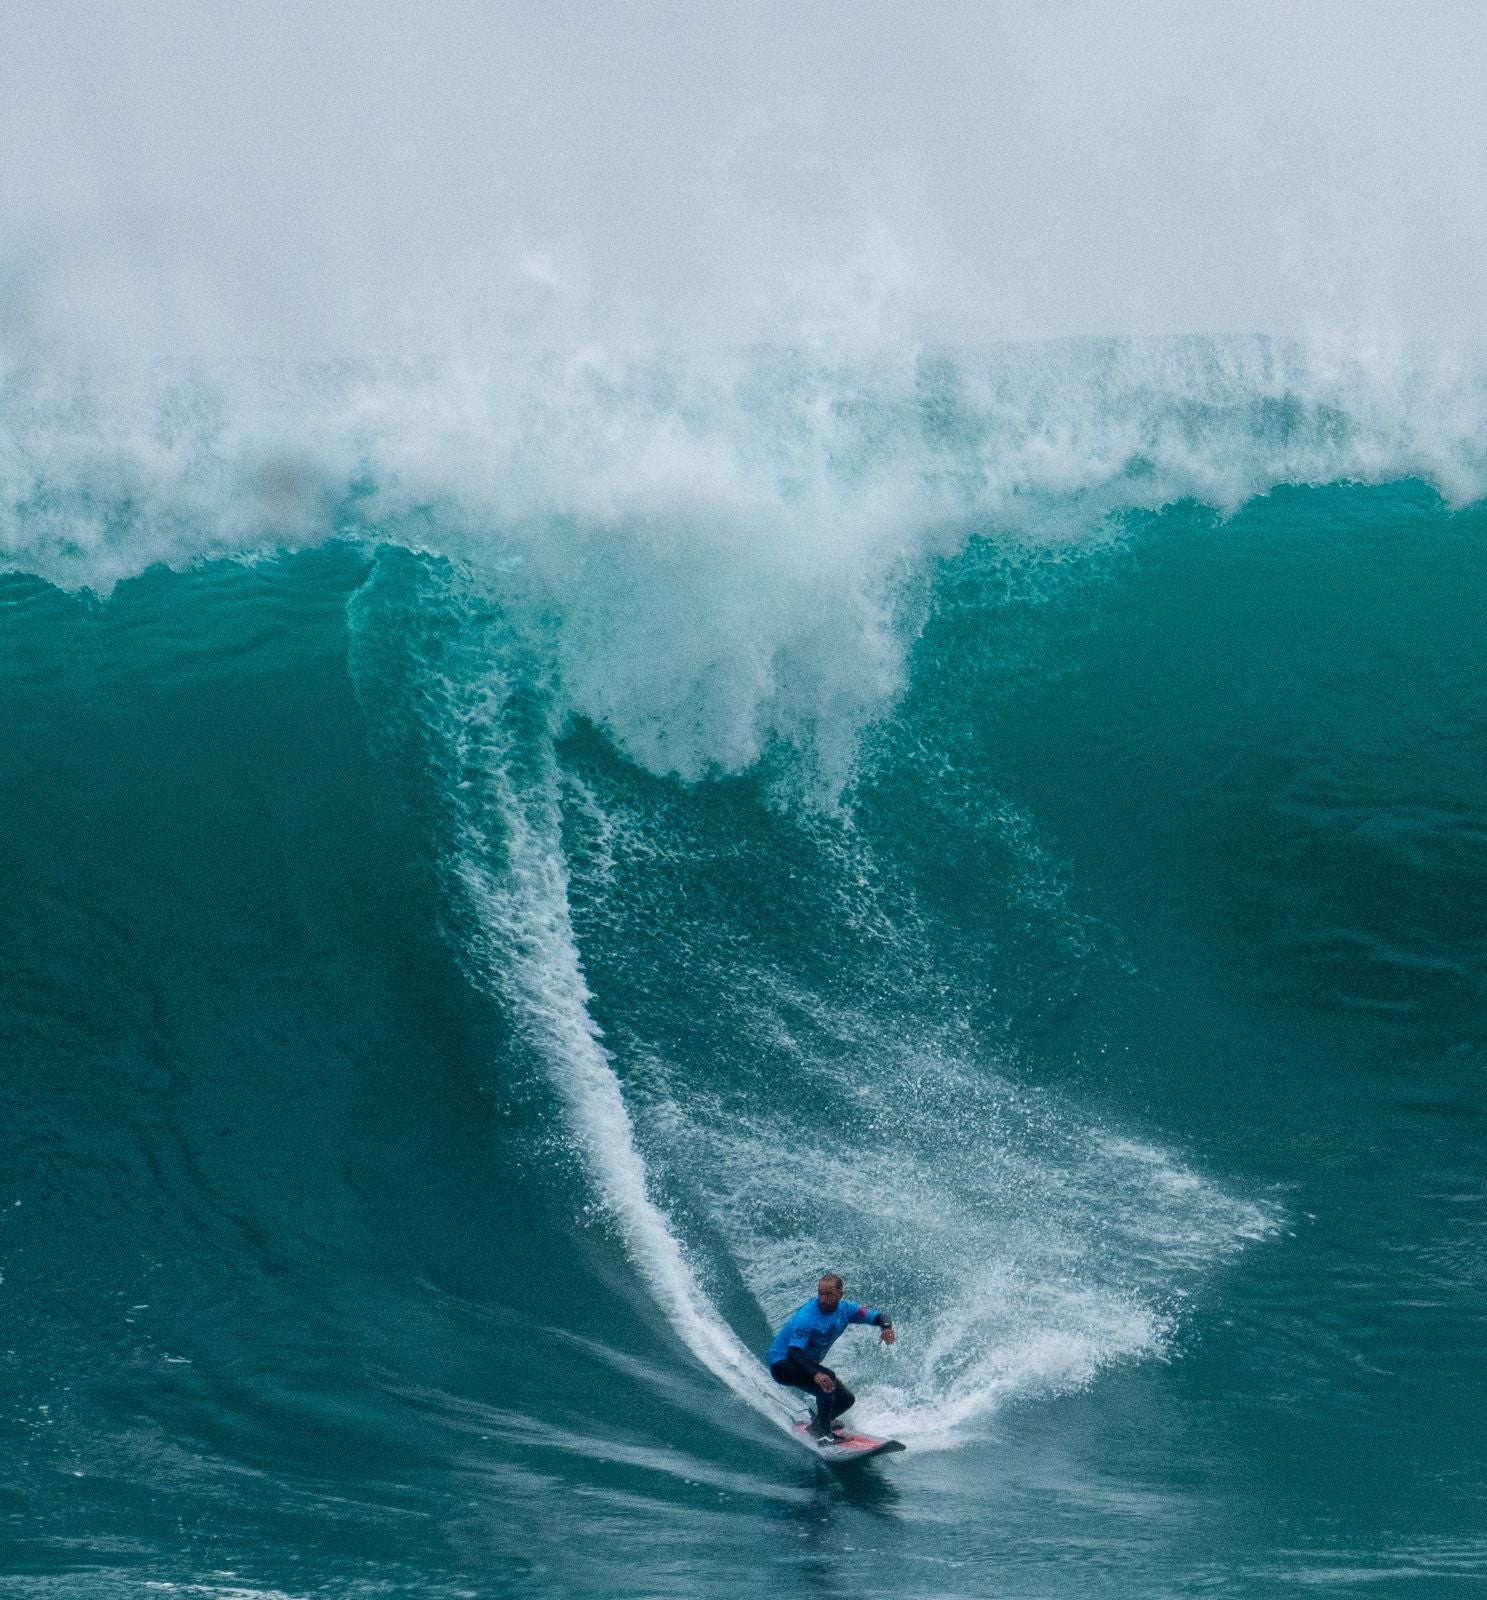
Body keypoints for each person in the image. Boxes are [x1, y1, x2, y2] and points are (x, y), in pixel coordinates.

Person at [767, 1273, 895, 1440]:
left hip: (803, 1363)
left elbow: (879, 1317)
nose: (822, 1299)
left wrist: (886, 1327)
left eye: (828, 1294)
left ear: (840, 1295)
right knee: (827, 1380)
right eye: (820, 1293)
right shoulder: (807, 1317)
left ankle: (819, 1424)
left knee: (846, 1399)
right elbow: (794, 1352)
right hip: (782, 1363)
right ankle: (824, 1435)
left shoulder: (847, 1310)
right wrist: (816, 1374)